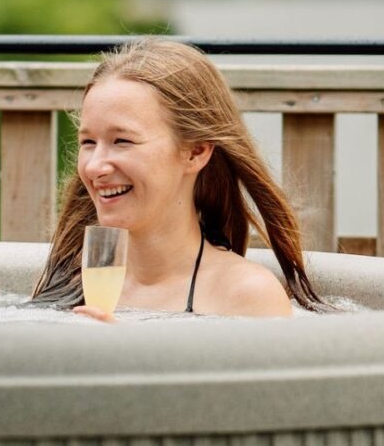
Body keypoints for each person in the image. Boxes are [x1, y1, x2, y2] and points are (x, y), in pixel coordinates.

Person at [30, 38, 324, 318]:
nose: (94, 167)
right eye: (88, 142)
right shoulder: (68, 284)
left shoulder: (246, 297)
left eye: (122, 141)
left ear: (195, 152)